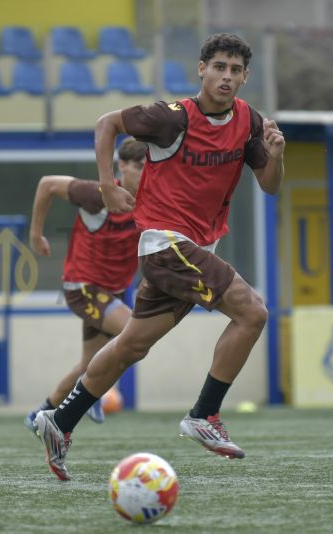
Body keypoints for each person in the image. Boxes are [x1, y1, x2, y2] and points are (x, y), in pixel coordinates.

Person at [35, 33, 286, 481]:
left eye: (235, 70)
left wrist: (277, 156)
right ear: (201, 70)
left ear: (245, 77)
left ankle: (60, 420)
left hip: (190, 252)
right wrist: (108, 181)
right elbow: (106, 123)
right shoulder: (171, 118)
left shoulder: (248, 121)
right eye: (219, 67)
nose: (226, 76)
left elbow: (269, 184)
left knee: (132, 345)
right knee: (253, 312)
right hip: (165, 245)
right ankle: (204, 415)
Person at [24, 137, 147, 433]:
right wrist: (36, 234)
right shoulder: (98, 195)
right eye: (141, 167)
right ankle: (92, 391)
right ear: (122, 166)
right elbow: (47, 184)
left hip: (112, 291)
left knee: (88, 365)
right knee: (136, 333)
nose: (146, 174)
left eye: (150, 167)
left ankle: (41, 413)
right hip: (83, 287)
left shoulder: (150, 200)